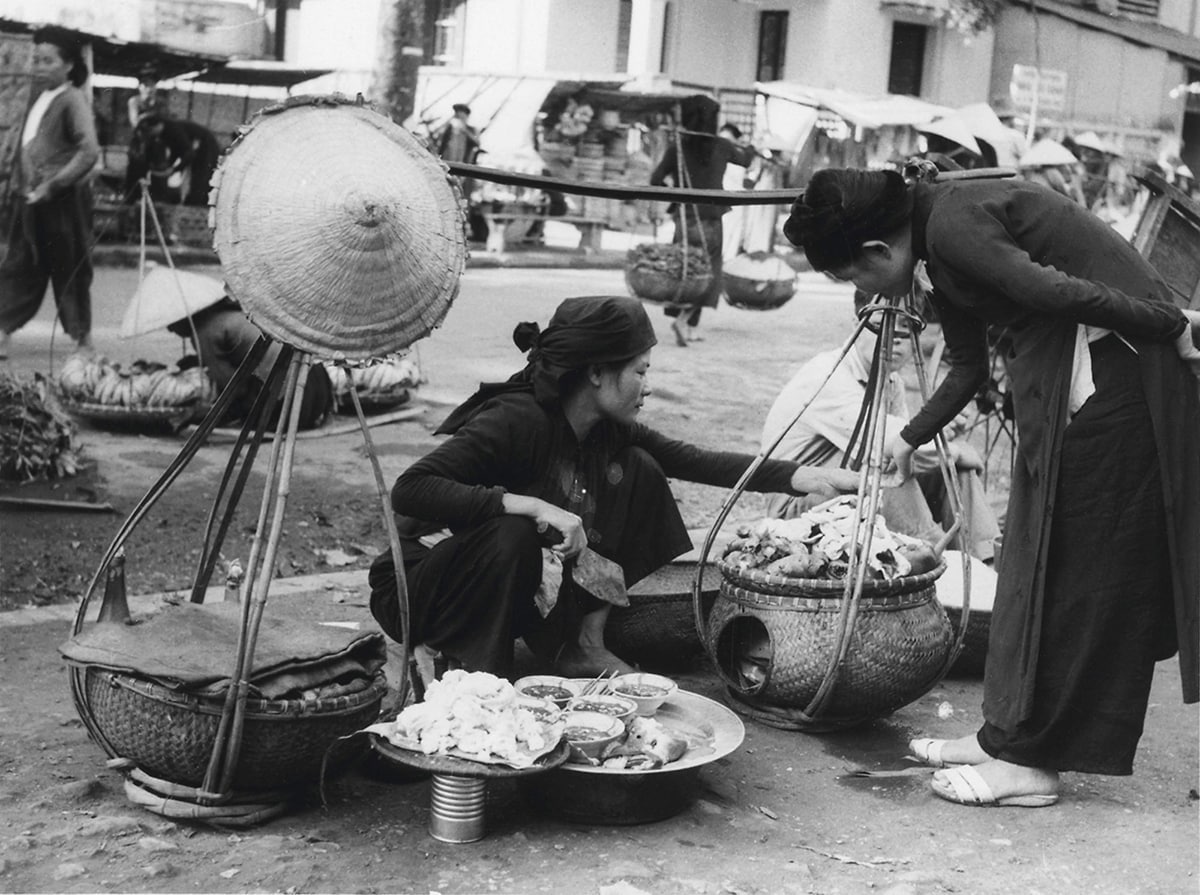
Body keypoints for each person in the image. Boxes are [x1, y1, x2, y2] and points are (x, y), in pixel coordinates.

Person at [783, 167, 1200, 809]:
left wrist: (1166, 322)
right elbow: (968, 365)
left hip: (1122, 381)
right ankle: (1004, 736)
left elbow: (1058, 292)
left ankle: (1033, 764)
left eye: (851, 278)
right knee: (1027, 564)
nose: (858, 290)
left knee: (1081, 573)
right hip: (1070, 386)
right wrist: (908, 438)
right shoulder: (936, 242)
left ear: (875, 252)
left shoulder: (951, 223)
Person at [367, 295, 857, 680]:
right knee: (513, 531)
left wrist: (804, 477)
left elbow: (692, 459)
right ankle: (479, 676)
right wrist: (531, 505)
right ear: (597, 373)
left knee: (641, 468)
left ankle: (584, 643)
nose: (648, 386)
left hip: (506, 581)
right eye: (640, 371)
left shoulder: (604, 428)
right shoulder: (514, 420)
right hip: (422, 590)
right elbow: (410, 490)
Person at [761, 288, 1001, 562]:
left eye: (906, 330)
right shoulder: (829, 375)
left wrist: (948, 453)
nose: (894, 340)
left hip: (852, 489)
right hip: (797, 505)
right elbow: (893, 449)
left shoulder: (890, 381)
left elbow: (909, 451)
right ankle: (931, 558)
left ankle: (986, 560)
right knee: (885, 465)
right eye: (880, 327)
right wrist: (955, 450)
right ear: (857, 326)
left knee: (954, 471)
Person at [0, 29, 99, 361]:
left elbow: (89, 152)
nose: (39, 67)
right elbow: (27, 146)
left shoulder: (72, 99)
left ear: (69, 65)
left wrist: (53, 185)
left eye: (48, 61)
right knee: (19, 263)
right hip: (31, 200)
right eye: (36, 59)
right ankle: (2, 330)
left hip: (63, 203)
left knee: (70, 266)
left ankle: (83, 340)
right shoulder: (38, 96)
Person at [650, 96, 754, 346]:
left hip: (684, 217)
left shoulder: (678, 146)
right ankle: (685, 320)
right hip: (711, 218)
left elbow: (655, 180)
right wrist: (752, 146)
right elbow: (746, 160)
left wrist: (676, 193)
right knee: (707, 272)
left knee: (687, 270)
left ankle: (688, 325)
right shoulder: (722, 145)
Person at [166, 296, 332, 431]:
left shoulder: (204, 332)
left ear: (184, 317)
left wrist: (199, 414)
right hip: (318, 390)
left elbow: (235, 389)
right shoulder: (238, 313)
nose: (170, 330)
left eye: (171, 323)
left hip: (292, 403)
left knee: (239, 410)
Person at [124, 113, 221, 208]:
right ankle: (195, 201)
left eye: (149, 131)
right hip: (197, 146)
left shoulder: (172, 129)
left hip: (207, 146)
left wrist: (174, 169)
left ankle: (198, 204)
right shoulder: (165, 133)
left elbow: (188, 153)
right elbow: (177, 150)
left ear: (157, 126)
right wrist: (170, 166)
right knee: (197, 176)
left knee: (201, 175)